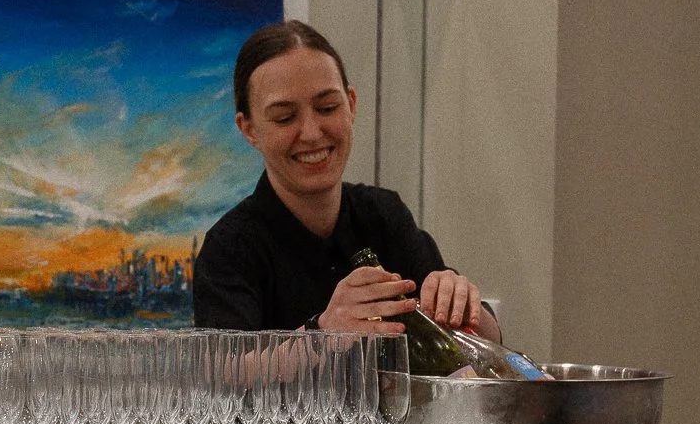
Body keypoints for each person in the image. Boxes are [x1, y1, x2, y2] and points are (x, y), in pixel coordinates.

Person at [194, 20, 500, 341]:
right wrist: (322, 332)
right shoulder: (229, 248)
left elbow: (484, 339)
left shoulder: (384, 214)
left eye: (327, 108)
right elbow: (222, 370)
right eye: (285, 117)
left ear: (351, 105)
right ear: (249, 130)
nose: (311, 133)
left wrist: (462, 304)